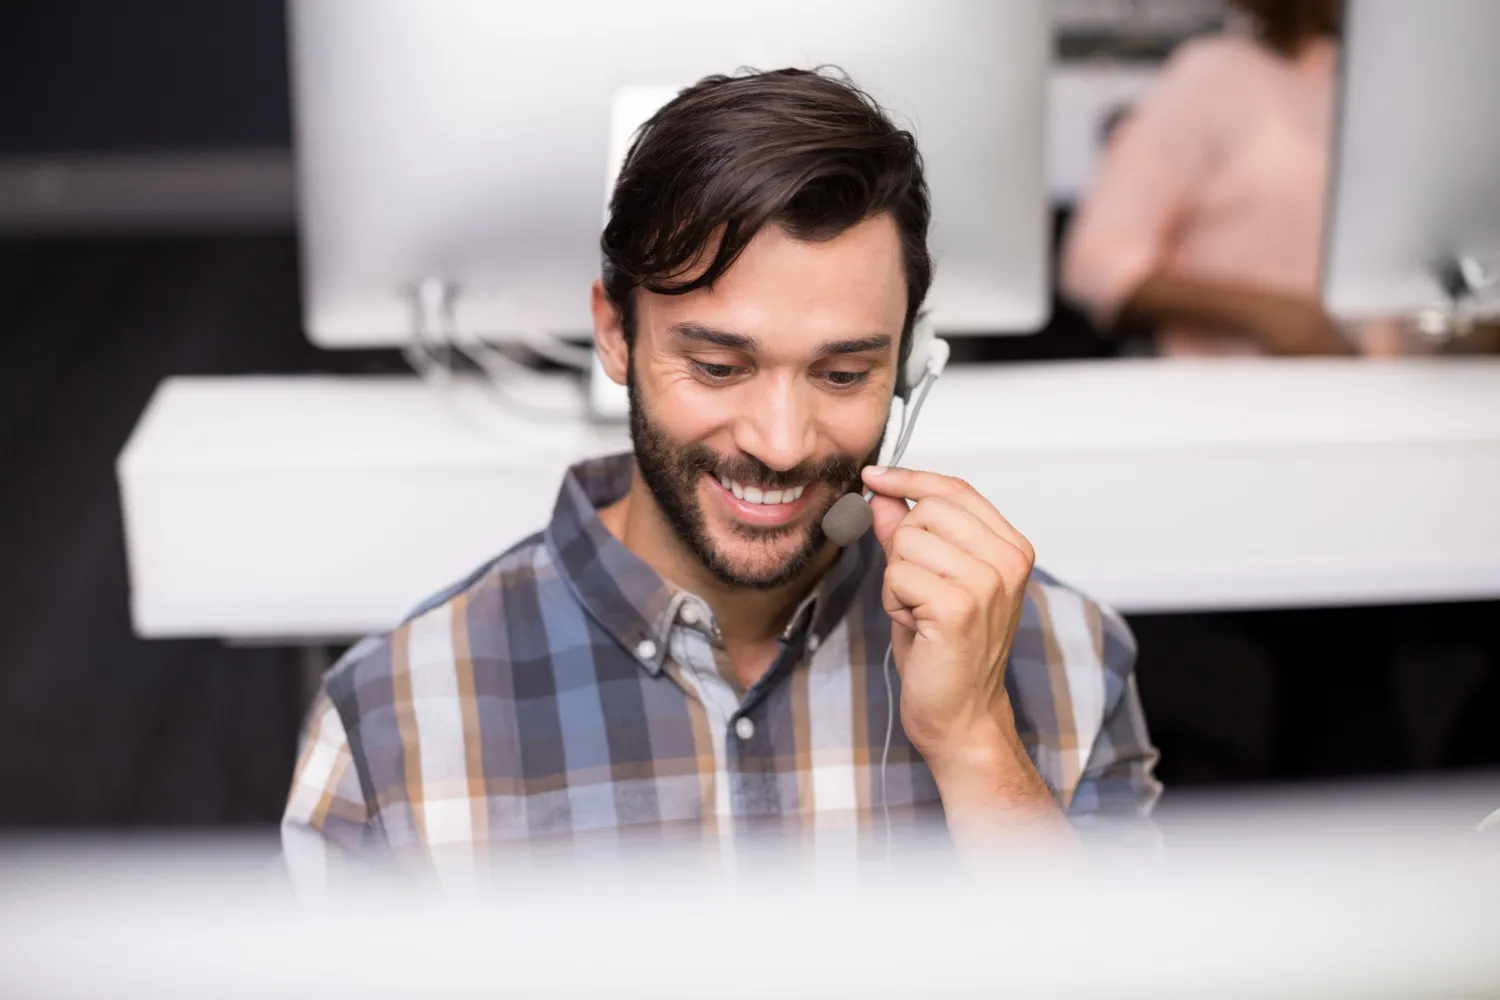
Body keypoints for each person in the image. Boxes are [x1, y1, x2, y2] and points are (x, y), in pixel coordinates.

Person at [282, 69, 1159, 882]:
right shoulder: (389, 721)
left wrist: (977, 746)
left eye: (843, 374)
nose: (780, 444)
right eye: (717, 367)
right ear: (616, 334)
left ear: (911, 363)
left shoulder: (1066, 658)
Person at [1062, 0, 1421, 358]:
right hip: (1233, 393)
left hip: (1381, 390)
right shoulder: (1214, 75)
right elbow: (1098, 263)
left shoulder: (1391, 87)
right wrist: (1274, 316)